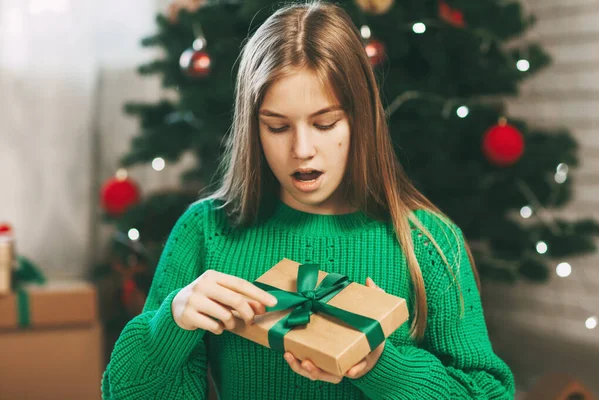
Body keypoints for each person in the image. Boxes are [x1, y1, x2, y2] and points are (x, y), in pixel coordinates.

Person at [101, 1, 515, 399]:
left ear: (360, 120)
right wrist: (168, 326)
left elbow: (488, 395)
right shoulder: (206, 231)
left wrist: (383, 365)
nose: (302, 150)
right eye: (277, 127)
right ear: (253, 128)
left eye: (325, 123)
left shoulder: (428, 241)